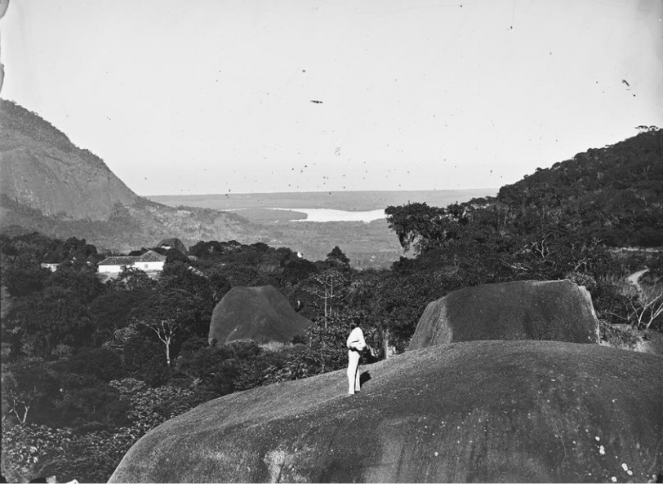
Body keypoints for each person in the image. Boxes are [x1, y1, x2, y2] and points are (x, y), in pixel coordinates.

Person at [346, 321, 366, 395]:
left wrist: (355, 347)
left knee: (350, 371)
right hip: (352, 352)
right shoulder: (354, 331)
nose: (351, 323)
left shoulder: (358, 330)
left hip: (354, 352)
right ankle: (356, 388)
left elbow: (363, 344)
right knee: (355, 371)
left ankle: (351, 391)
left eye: (353, 322)